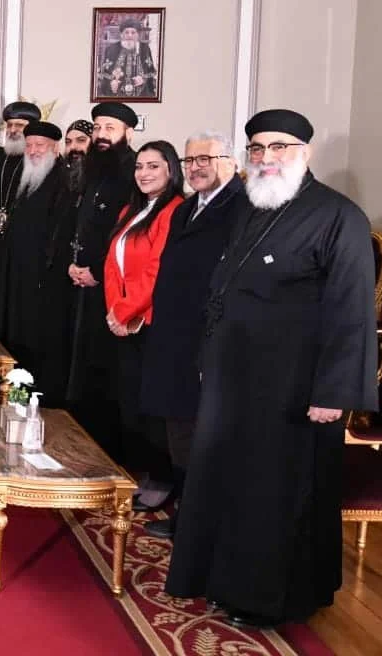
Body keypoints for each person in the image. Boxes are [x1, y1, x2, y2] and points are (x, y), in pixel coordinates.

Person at [166, 109, 378, 628]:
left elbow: (352, 313)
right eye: (257, 149)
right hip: (233, 381)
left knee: (275, 494)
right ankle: (224, 582)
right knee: (228, 484)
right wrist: (205, 361)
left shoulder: (338, 216)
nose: (266, 159)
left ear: (304, 152)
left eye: (278, 148)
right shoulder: (253, 207)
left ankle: (271, 601)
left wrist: (334, 392)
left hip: (295, 390)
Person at [140, 130, 246, 540]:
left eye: (206, 158)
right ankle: (185, 517)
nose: (197, 167)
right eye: (190, 161)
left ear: (230, 161)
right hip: (175, 339)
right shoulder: (188, 209)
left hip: (207, 343)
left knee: (203, 438)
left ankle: (202, 524)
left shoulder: (242, 207)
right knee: (180, 433)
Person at [102, 140, 184, 510]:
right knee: (130, 403)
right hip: (123, 319)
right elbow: (111, 265)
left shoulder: (174, 211)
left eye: (153, 166)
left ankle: (163, 477)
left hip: (150, 322)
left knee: (152, 407)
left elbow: (157, 270)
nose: (144, 173)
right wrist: (114, 310)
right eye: (139, 166)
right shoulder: (130, 210)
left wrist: (125, 312)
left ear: (171, 170)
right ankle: (145, 471)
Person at [67, 102, 137, 459]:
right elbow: (83, 222)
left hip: (111, 285)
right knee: (84, 360)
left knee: (105, 366)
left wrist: (94, 268)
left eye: (110, 128)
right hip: (84, 279)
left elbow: (123, 232)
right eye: (98, 128)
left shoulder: (133, 172)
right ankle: (83, 435)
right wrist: (74, 263)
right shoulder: (95, 168)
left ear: (128, 132)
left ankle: (106, 448)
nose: (101, 135)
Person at [0, 121, 66, 380]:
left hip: (40, 272)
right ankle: (15, 377)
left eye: (40, 145)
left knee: (35, 330)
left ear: (55, 148)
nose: (33, 151)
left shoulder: (62, 179)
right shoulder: (27, 176)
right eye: (30, 145)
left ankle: (32, 383)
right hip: (18, 267)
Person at [0, 102, 38, 324]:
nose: (13, 130)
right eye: (10, 125)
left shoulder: (36, 161)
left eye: (19, 125)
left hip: (21, 243)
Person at [96, 18, 158, 99]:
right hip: (117, 96)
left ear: (138, 34)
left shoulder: (145, 48)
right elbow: (103, 74)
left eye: (133, 32)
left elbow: (151, 72)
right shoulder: (111, 49)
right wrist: (111, 83)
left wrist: (143, 79)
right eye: (126, 32)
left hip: (141, 95)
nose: (130, 35)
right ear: (121, 34)